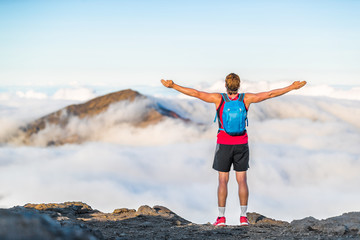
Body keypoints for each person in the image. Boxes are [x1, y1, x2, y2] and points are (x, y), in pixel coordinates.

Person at [160, 73, 306, 226]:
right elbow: (270, 94)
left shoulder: (219, 99)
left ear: (225, 85)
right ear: (239, 85)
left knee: (223, 181)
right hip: (241, 143)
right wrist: (292, 87)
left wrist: (173, 86)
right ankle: (243, 218)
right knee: (242, 180)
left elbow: (196, 93)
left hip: (224, 144)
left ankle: (221, 218)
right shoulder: (246, 99)